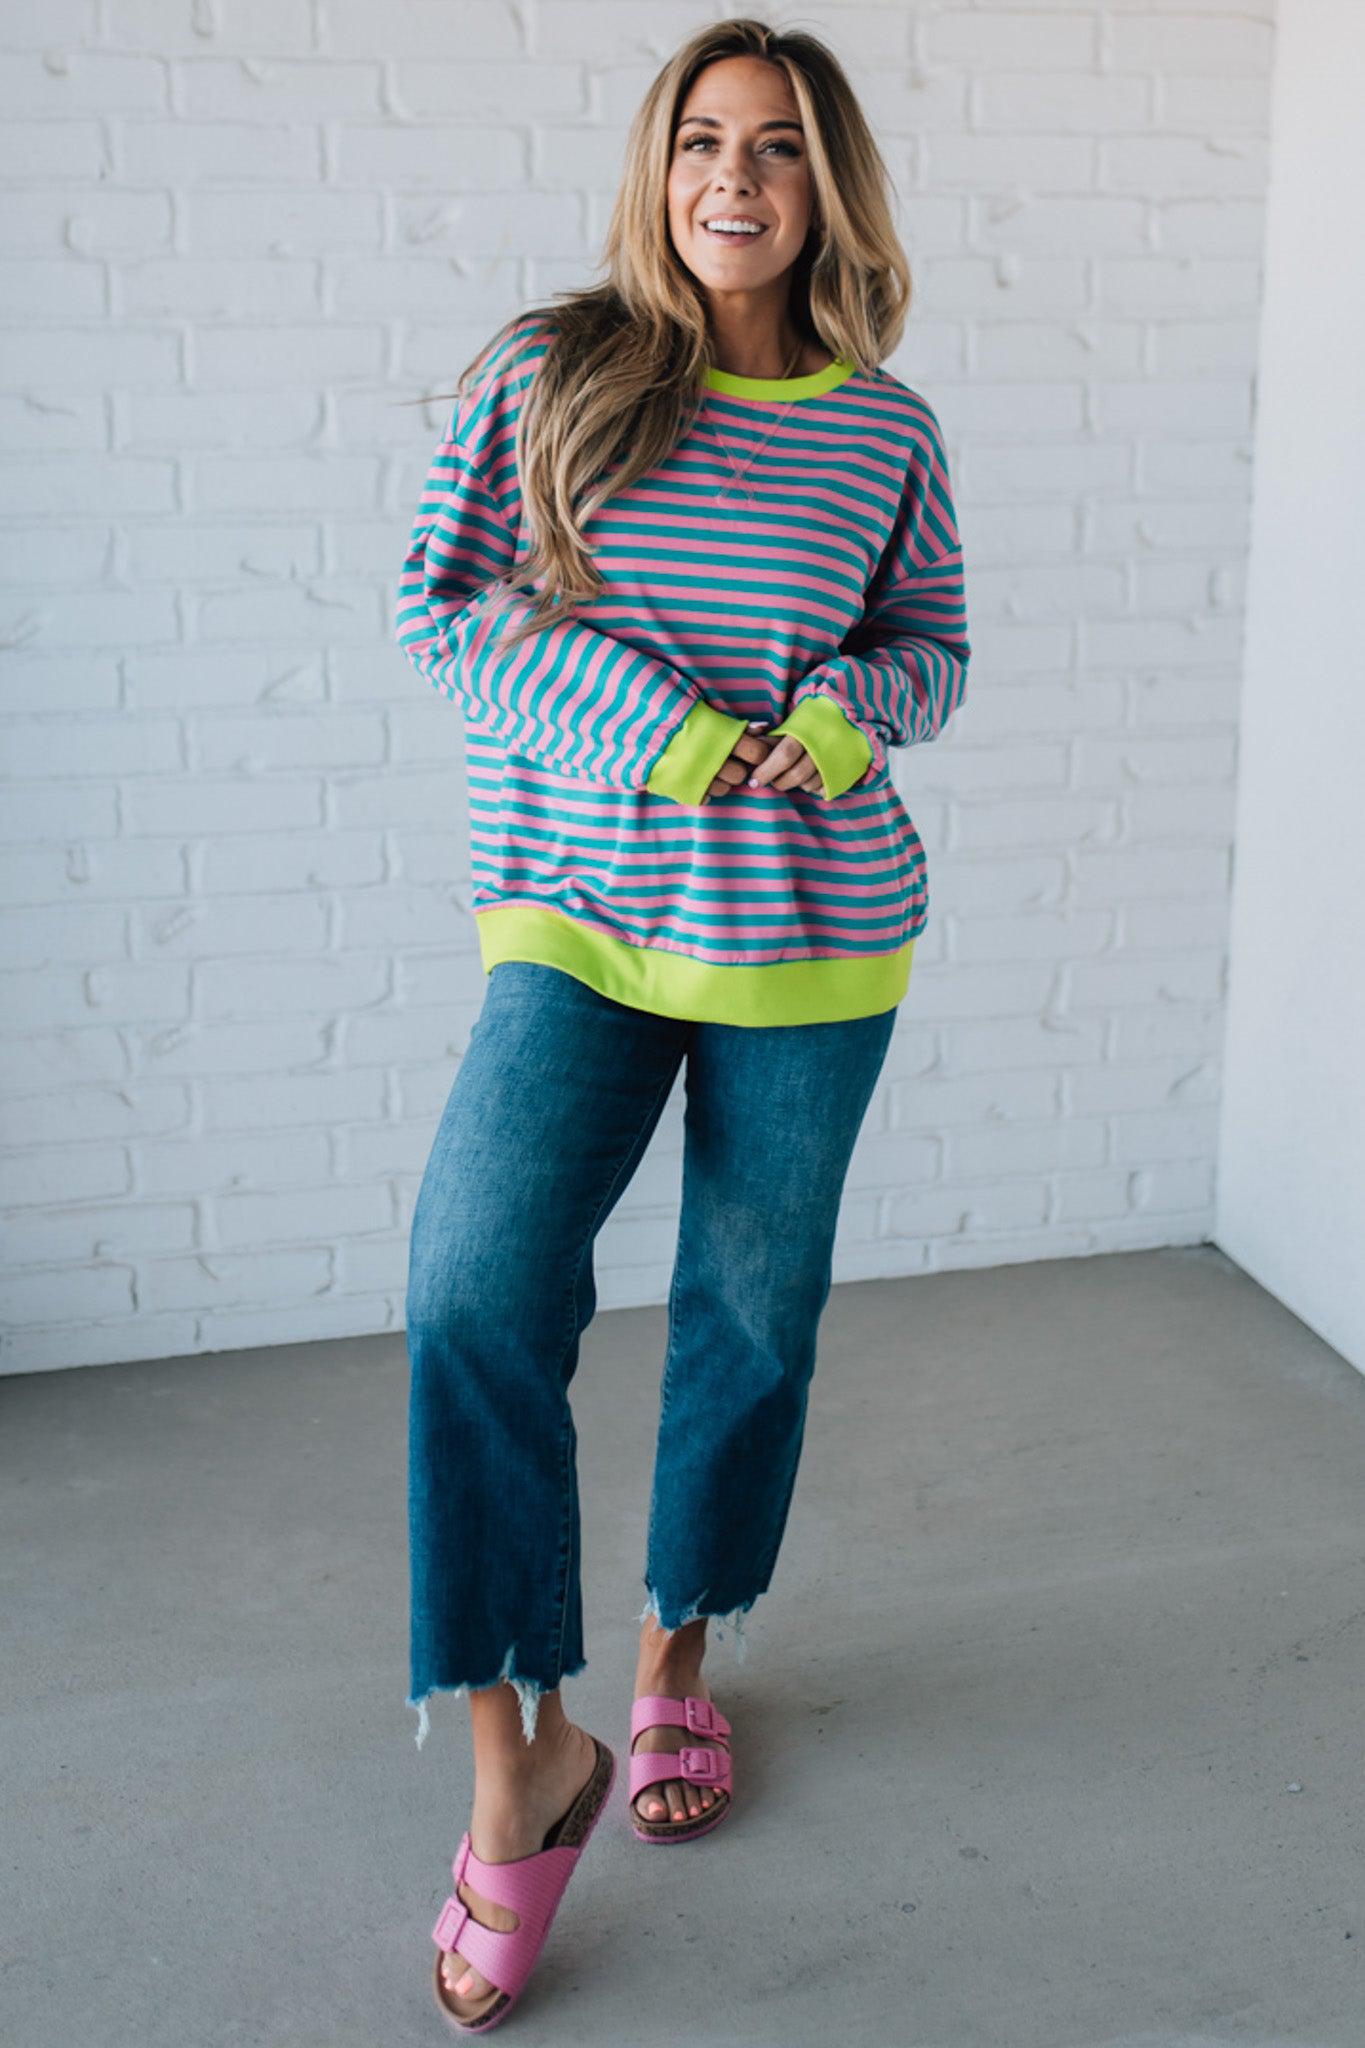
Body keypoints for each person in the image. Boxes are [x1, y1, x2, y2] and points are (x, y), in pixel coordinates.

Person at [395, 16, 971, 2031]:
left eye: (779, 147)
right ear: (656, 171)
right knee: (473, 1290)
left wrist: (845, 715)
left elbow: (930, 650)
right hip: (570, 920)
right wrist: (668, 724)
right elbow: (441, 608)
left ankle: (669, 1663)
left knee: (747, 1315)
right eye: (701, 141)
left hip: (813, 940)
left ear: (829, 185)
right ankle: (515, 1764)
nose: (734, 178)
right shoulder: (551, 369)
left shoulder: (881, 429)